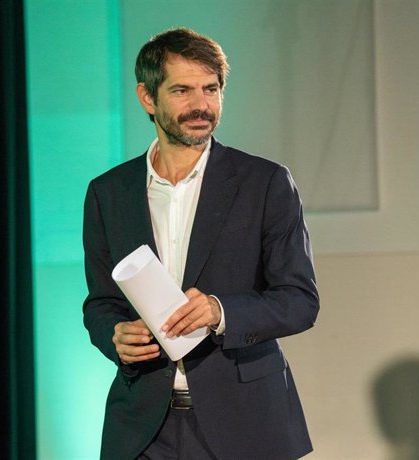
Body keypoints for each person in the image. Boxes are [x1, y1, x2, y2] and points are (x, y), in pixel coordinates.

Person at [83, 27, 319, 460]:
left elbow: (300, 300)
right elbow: (100, 303)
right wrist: (115, 336)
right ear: (147, 97)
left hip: (245, 424)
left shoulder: (264, 183)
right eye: (183, 90)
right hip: (142, 428)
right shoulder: (108, 192)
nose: (201, 105)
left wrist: (220, 311)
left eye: (211, 89)